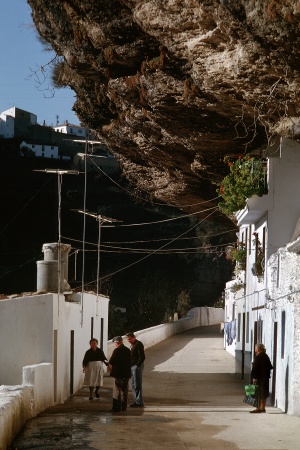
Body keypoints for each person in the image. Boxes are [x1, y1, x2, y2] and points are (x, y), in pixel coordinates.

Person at [108, 336, 132, 412]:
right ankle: (124, 407)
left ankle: (117, 408)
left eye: (115, 343)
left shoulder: (117, 350)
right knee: (125, 391)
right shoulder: (128, 350)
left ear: (117, 343)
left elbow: (111, 361)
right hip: (126, 374)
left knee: (117, 391)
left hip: (118, 374)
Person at [250, 343, 273, 413]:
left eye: (255, 348)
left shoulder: (258, 357)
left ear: (258, 349)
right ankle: (263, 407)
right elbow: (270, 367)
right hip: (265, 378)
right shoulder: (266, 356)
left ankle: (258, 408)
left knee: (257, 393)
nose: (255, 350)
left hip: (258, 378)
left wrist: (254, 378)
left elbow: (255, 368)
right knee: (264, 393)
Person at [126, 332, 145, 407]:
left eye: (130, 339)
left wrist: (137, 365)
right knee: (133, 384)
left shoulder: (138, 344)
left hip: (137, 367)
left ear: (134, 337)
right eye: (128, 339)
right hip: (133, 366)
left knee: (137, 384)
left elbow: (142, 356)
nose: (129, 340)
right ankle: (136, 401)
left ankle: (139, 402)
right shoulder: (133, 345)